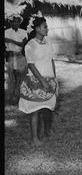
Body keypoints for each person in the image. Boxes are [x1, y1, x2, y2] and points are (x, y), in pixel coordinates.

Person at [19, 14, 58, 146]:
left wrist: (54, 78)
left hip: (49, 79)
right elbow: (31, 65)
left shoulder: (48, 43)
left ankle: (47, 132)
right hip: (36, 81)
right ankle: (35, 138)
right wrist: (42, 81)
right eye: (45, 27)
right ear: (37, 29)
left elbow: (51, 60)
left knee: (48, 108)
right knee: (35, 110)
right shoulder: (30, 45)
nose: (47, 29)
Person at [5, 13, 28, 104]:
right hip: (10, 56)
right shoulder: (6, 32)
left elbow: (23, 44)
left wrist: (11, 41)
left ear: (20, 23)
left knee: (20, 77)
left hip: (19, 56)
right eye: (14, 22)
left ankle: (18, 95)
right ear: (11, 23)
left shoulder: (23, 32)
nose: (16, 24)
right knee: (11, 77)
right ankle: (12, 96)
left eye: (18, 22)